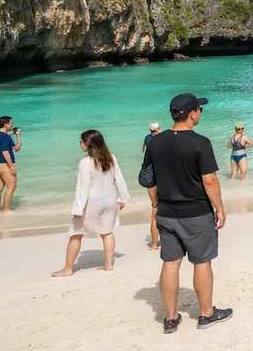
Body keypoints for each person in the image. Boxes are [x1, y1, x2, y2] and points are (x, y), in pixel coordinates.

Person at [143, 93, 232, 333]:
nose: (200, 113)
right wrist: (220, 208)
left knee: (170, 263)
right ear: (192, 114)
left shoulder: (155, 143)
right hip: (196, 213)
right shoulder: (200, 142)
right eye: (199, 110)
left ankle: (171, 318)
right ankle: (206, 313)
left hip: (166, 212)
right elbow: (210, 180)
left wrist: (155, 204)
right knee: (201, 262)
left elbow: (148, 179)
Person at [52, 131, 131, 277]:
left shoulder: (85, 162)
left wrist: (78, 208)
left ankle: (68, 269)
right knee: (107, 232)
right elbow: (119, 179)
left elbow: (83, 188)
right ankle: (108, 265)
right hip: (110, 201)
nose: (79, 144)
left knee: (76, 234)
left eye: (81, 142)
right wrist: (123, 198)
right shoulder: (111, 157)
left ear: (88, 144)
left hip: (92, 202)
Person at [0, 117, 21, 213]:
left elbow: (6, 140)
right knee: (12, 187)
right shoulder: (5, 137)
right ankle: (6, 209)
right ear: (5, 125)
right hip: (4, 165)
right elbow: (9, 151)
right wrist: (11, 166)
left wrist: (14, 133)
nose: (12, 124)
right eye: (11, 123)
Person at [143, 123, 161, 250]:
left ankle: (154, 244)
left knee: (155, 209)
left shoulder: (147, 138)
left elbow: (143, 150)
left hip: (151, 178)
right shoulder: (161, 140)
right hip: (163, 177)